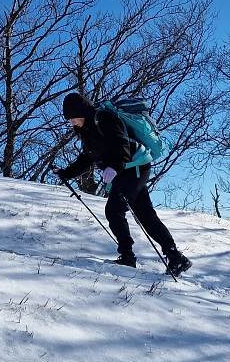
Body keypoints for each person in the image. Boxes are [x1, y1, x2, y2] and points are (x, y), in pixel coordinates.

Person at [55, 92, 192, 276]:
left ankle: (128, 257)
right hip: (125, 170)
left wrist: (114, 167)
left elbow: (122, 146)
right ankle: (176, 258)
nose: (71, 122)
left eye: (72, 117)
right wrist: (66, 173)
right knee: (146, 215)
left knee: (114, 210)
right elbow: (87, 157)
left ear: (80, 111)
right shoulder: (88, 130)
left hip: (134, 167)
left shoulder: (103, 118)